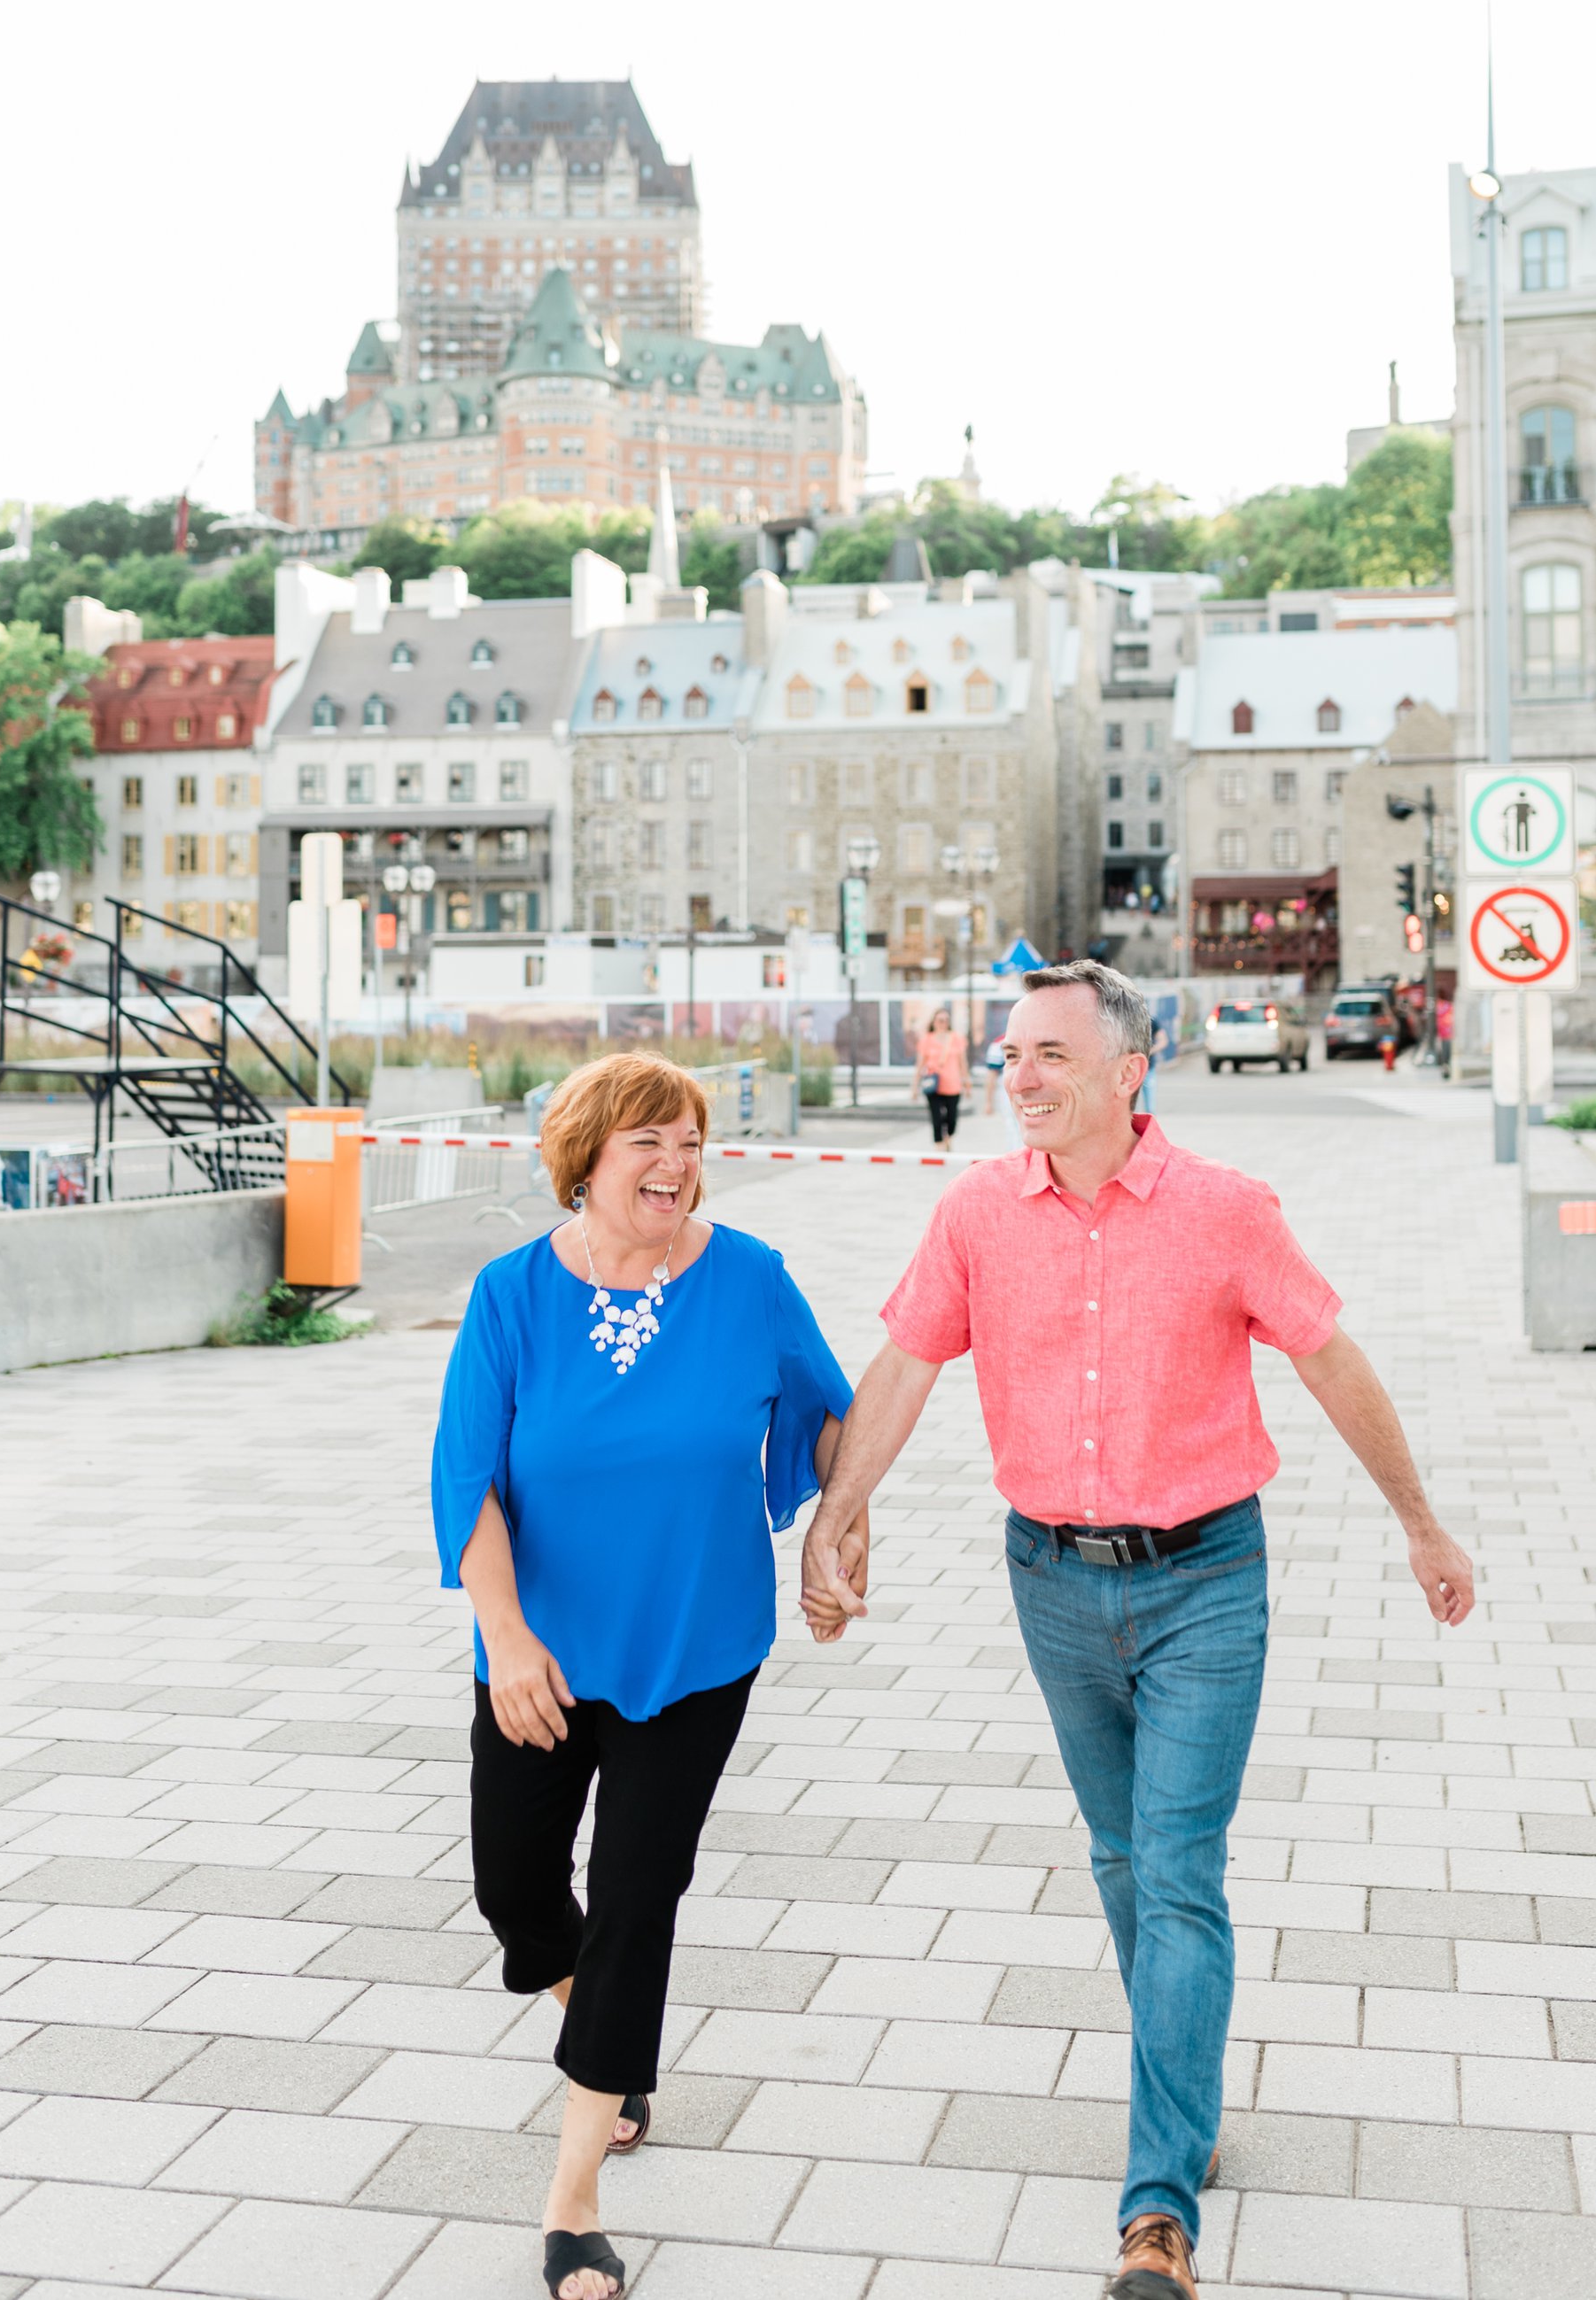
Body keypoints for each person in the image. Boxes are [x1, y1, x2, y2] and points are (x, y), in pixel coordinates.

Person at [800, 958, 1473, 2300]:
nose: (1018, 1076)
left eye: (1047, 1053)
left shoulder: (1224, 1212)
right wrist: (837, 1515)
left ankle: (1157, 2209)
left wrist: (1421, 1521)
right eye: (1008, 1054)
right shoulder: (980, 1212)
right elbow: (904, 1364)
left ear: (1126, 1071)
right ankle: (1188, 2075)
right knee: (1119, 1859)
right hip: (1048, 1579)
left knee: (1175, 1869)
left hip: (1207, 1581)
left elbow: (1330, 1357)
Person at [434, 1051, 862, 2300]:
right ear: (586, 1160)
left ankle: (573, 2202)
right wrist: (507, 1641)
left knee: (634, 1896)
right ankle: (607, 2033)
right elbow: (468, 1482)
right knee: (513, 1891)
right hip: (542, 1653)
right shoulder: (511, 1297)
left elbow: (834, 1424)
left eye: (689, 1140)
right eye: (647, 1144)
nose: (676, 1165)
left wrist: (845, 1531)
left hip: (694, 1647)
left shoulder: (751, 1282)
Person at [910, 1005, 969, 1149]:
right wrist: (914, 1087)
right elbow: (919, 1065)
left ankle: (948, 1136)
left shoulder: (956, 1039)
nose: (943, 1023)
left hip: (953, 1084)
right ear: (934, 1022)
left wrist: (967, 1083)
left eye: (946, 1020)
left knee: (952, 1118)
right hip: (934, 1083)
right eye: (940, 1020)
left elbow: (963, 1063)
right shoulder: (926, 1040)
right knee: (936, 1117)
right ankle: (939, 1144)